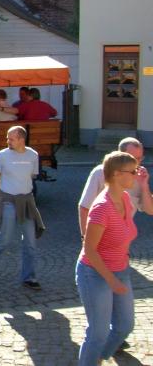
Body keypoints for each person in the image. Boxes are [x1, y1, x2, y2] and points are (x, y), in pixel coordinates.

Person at [76, 151, 138, 365]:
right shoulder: (102, 208)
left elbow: (125, 232)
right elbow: (90, 250)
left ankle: (100, 357)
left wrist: (123, 255)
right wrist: (111, 280)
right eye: (133, 171)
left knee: (124, 326)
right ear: (117, 174)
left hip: (120, 269)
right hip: (94, 273)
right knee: (98, 333)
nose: (136, 175)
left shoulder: (126, 199)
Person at [0, 125, 44, 290]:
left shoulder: (33, 155)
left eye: (11, 138)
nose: (8, 141)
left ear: (21, 139)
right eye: (7, 138)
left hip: (27, 201)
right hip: (8, 200)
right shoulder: (2, 155)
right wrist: (1, 193)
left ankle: (29, 277)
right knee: (4, 239)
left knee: (30, 241)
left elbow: (32, 175)